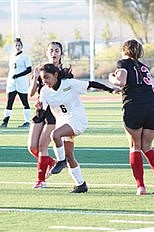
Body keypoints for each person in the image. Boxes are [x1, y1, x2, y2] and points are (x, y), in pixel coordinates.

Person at [37, 63, 117, 193]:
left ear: (56, 75)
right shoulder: (45, 91)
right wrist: (39, 110)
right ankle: (81, 184)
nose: (44, 81)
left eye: (47, 77)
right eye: (42, 78)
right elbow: (42, 116)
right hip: (63, 122)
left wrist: (110, 90)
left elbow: (90, 84)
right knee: (69, 155)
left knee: (55, 135)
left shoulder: (69, 83)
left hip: (77, 120)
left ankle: (60, 161)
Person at [108, 39, 154, 195]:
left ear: (124, 51)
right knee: (147, 147)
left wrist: (111, 78)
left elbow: (121, 81)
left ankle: (140, 186)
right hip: (151, 105)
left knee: (135, 147)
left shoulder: (123, 63)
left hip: (134, 106)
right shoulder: (144, 67)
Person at [28, 41, 71, 189]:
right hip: (41, 111)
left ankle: (41, 181)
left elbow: (70, 93)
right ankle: (51, 162)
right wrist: (34, 76)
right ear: (47, 53)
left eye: (57, 50)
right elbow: (31, 94)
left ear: (61, 53)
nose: (54, 53)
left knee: (42, 146)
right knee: (32, 147)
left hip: (54, 113)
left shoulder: (64, 72)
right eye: (51, 50)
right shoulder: (42, 70)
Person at [0, 38, 32, 128]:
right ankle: (5, 122)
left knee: (25, 102)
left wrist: (18, 75)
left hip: (22, 83)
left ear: (22, 46)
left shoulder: (25, 56)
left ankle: (27, 122)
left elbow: (29, 69)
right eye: (16, 45)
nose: (17, 47)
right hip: (11, 83)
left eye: (19, 45)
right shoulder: (12, 56)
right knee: (9, 102)